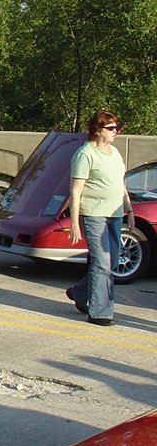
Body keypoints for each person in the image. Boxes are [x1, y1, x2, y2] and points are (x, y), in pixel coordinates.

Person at [66, 111, 131, 326]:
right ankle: (100, 312)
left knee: (111, 261)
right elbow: (75, 191)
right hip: (93, 214)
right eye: (111, 128)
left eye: (116, 127)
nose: (116, 132)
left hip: (115, 214)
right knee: (102, 262)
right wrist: (75, 223)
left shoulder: (114, 153)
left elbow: (120, 183)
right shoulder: (85, 154)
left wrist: (129, 209)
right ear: (97, 130)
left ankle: (80, 293)